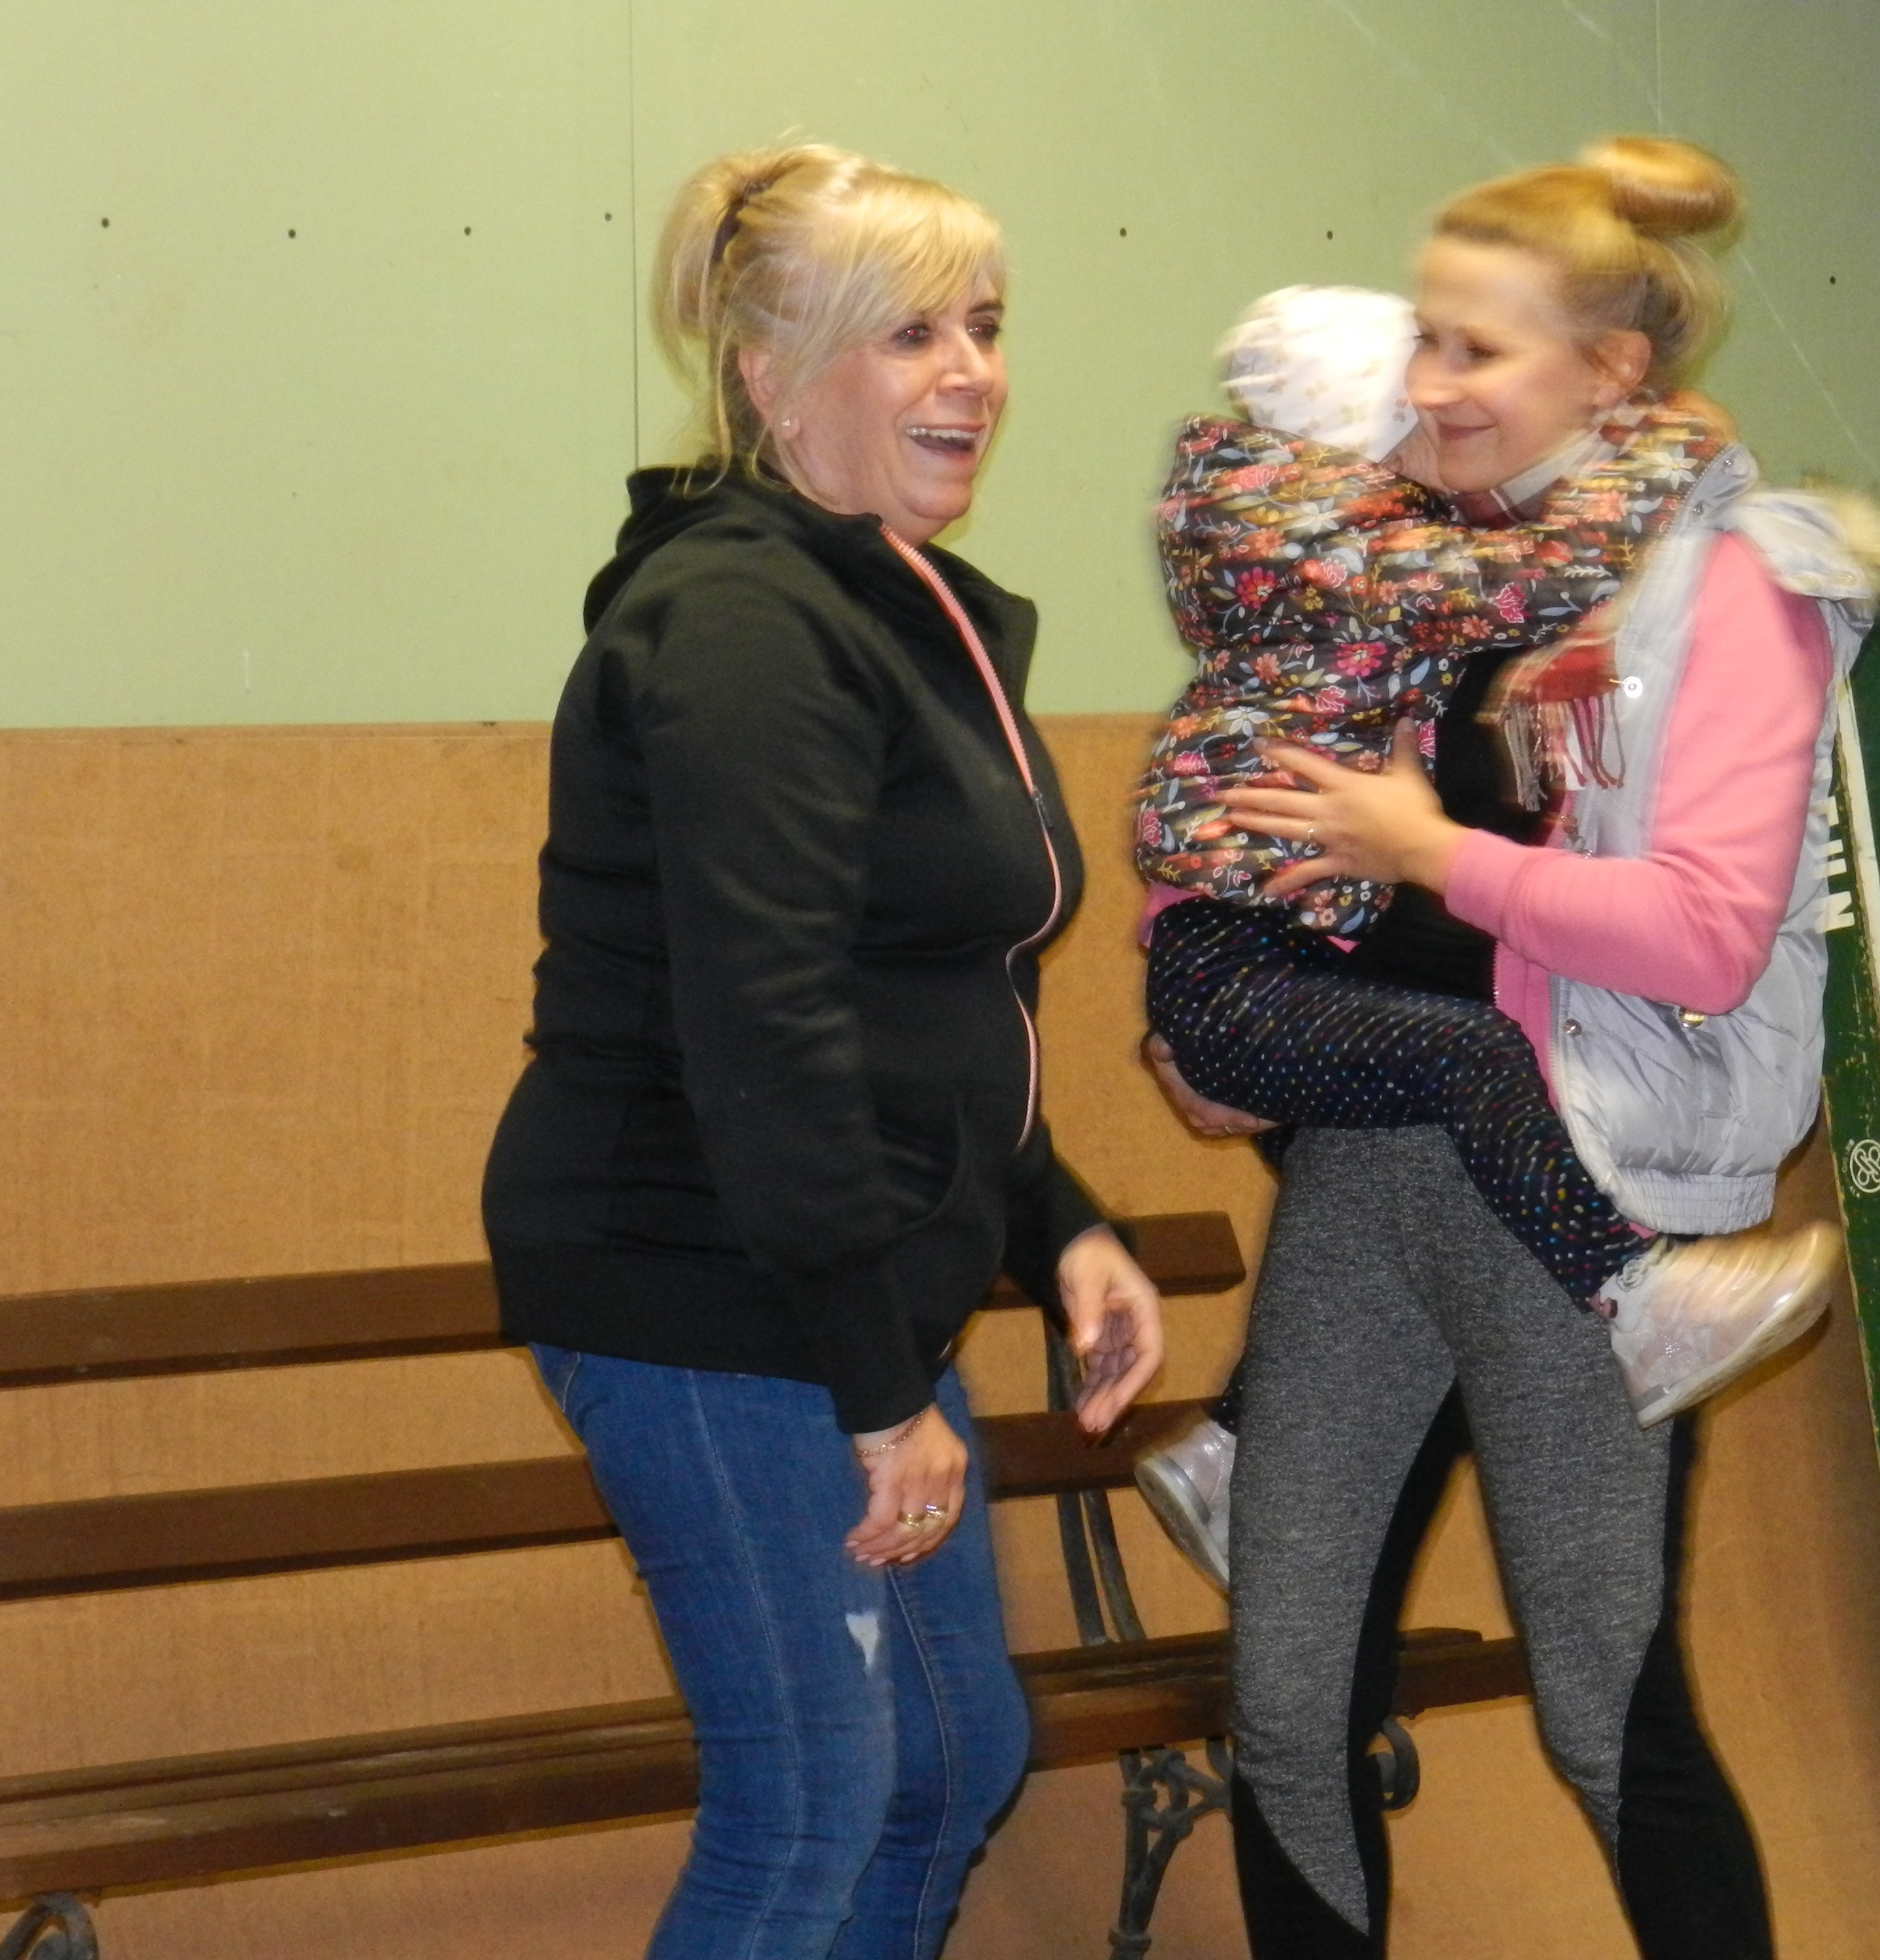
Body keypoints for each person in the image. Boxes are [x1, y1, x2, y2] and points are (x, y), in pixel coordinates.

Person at [1143, 137, 1880, 1959]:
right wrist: (1257, 1033)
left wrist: (1429, 855)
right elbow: (1319, 842)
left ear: (1609, 372)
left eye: (1476, 349)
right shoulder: (1434, 549)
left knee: (1598, 1715)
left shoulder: (1729, 584)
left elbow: (1703, 936)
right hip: (1372, 1176)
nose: (1425, 383)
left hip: (1578, 1193)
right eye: (1423, 337)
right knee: (1288, 1707)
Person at [479, 144, 1163, 1960]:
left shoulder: (889, 601)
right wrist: (877, 1387)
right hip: (701, 1281)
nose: (971, 373)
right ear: (769, 376)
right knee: (809, 1802)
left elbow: (921, 993)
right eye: (908, 335)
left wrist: (1059, 1223)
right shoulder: (740, 624)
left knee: (945, 1762)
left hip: (828, 1272)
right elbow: (767, 1024)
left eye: (985, 327)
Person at [1129, 284, 1844, 1591]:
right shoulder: (1354, 540)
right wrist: (1675, 452)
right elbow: (1530, 597)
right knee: (1456, 1093)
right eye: (1425, 388)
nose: (1449, 408)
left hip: (1351, 993)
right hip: (1291, 978)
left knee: (1435, 1180)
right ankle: (1630, 1300)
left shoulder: (1365, 534)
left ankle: (1237, 1446)